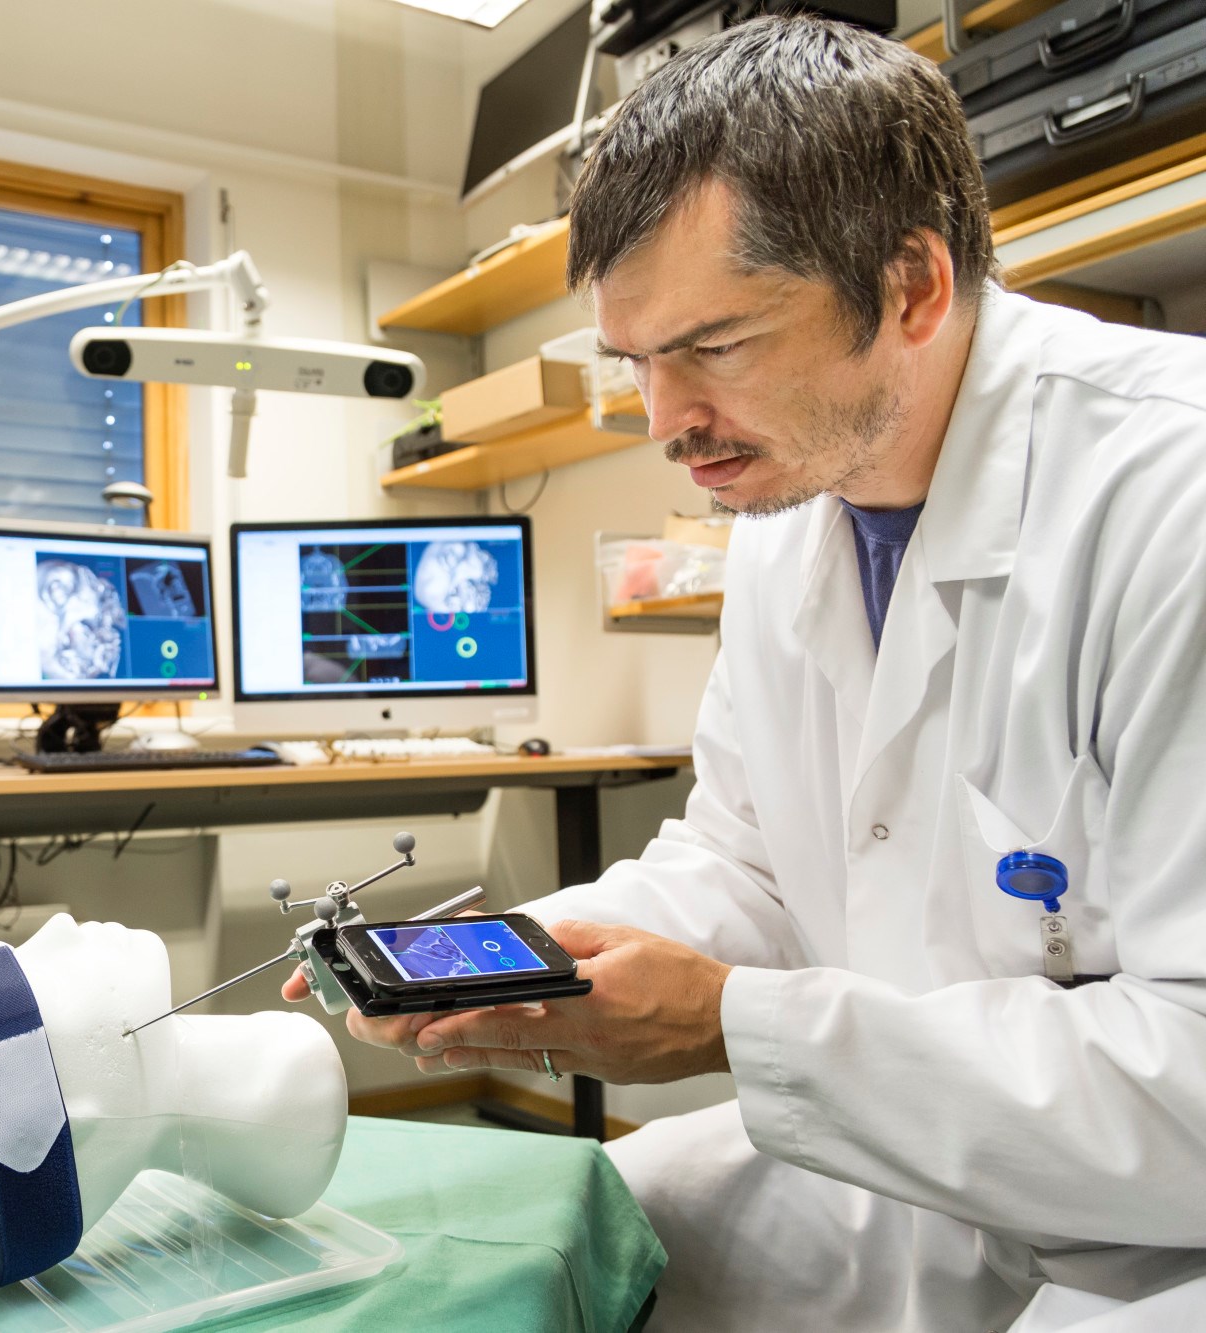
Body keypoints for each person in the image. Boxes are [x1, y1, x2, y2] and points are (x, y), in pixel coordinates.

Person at [299, 18, 1206, 1331]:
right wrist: (522, 958)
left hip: (1158, 1243)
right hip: (920, 1170)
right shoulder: (797, 508)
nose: (666, 420)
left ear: (912, 287)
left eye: (712, 348)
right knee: (585, 1237)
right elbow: (748, 862)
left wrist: (740, 1026)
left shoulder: (1169, 490)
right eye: (635, 361)